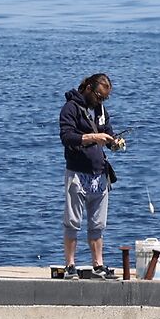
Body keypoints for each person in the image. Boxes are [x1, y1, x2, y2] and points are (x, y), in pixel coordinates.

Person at [55, 73, 126, 278]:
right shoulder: (70, 108)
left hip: (99, 174)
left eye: (105, 98)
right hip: (77, 173)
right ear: (88, 89)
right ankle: (70, 265)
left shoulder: (101, 110)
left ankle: (98, 265)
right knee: (72, 221)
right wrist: (94, 137)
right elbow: (67, 137)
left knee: (98, 224)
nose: (101, 101)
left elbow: (108, 133)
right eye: (99, 96)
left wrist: (114, 143)